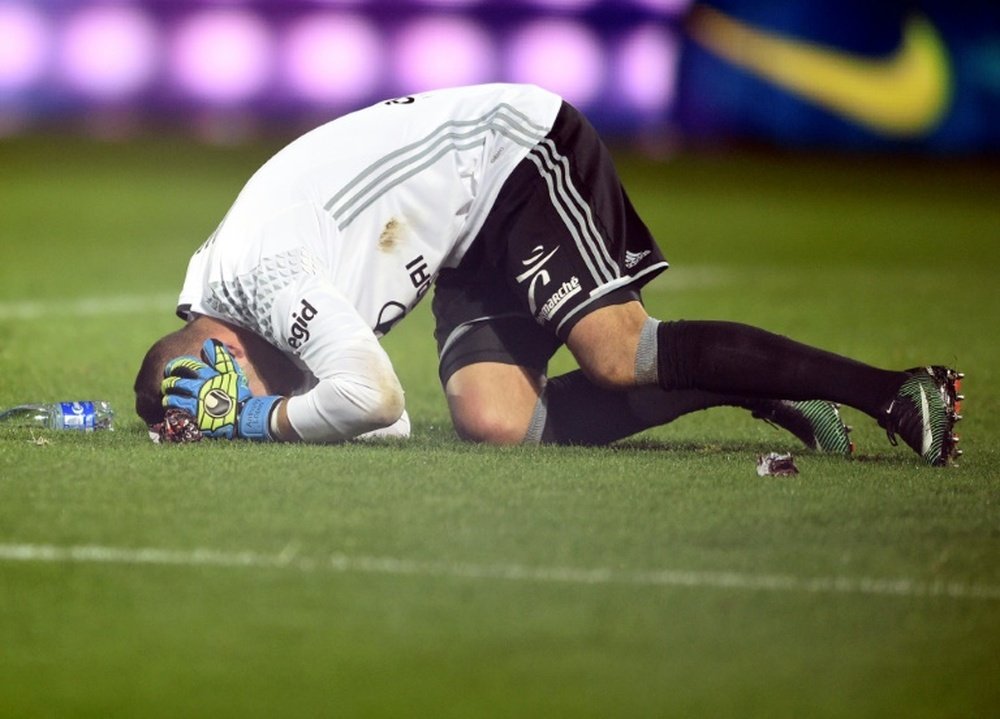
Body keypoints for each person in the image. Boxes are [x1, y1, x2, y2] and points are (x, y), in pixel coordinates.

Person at [133, 83, 963, 465]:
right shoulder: (228, 303)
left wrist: (258, 423)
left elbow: (375, 400)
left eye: (222, 392)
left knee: (616, 351)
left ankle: (895, 391)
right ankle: (743, 384)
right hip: (462, 230)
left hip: (511, 153)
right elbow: (373, 423)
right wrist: (276, 410)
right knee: (499, 422)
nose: (234, 398)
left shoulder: (269, 277)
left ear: (217, 352)